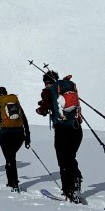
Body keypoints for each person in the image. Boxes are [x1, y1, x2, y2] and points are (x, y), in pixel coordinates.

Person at [37, 69, 85, 203]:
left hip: (62, 130)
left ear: (46, 82)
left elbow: (44, 109)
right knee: (70, 157)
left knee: (63, 160)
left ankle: (69, 192)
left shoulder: (47, 91)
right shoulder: (67, 88)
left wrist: (40, 109)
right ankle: (75, 183)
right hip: (77, 129)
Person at [0, 85, 31, 190]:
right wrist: (27, 137)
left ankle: (13, 183)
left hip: (6, 135)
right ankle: (13, 181)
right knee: (11, 157)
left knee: (10, 159)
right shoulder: (15, 104)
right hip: (19, 134)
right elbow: (24, 120)